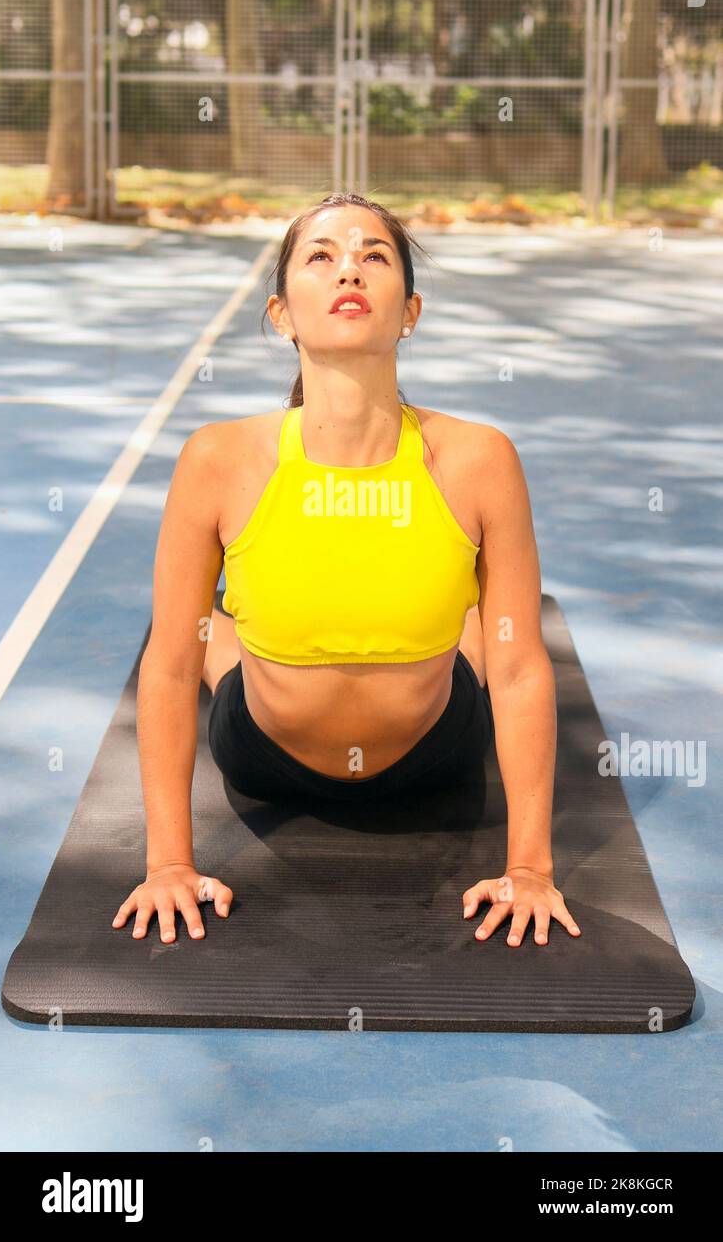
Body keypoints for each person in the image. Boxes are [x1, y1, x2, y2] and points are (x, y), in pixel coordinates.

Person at [112, 193, 581, 951]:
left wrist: (529, 866)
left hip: (436, 751)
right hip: (264, 752)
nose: (348, 270)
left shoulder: (479, 459)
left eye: (374, 255)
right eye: (320, 256)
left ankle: (434, 607)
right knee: (206, 638)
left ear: (409, 312)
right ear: (281, 314)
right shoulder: (220, 458)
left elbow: (521, 665)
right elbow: (167, 666)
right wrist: (167, 862)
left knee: (480, 634)